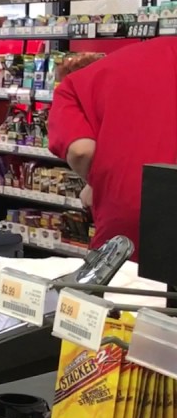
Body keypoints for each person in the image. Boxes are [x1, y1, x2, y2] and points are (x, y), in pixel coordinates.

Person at [48, 39, 177, 260]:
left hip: (130, 226)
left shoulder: (90, 78)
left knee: (125, 290)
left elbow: (81, 150)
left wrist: (96, 180)